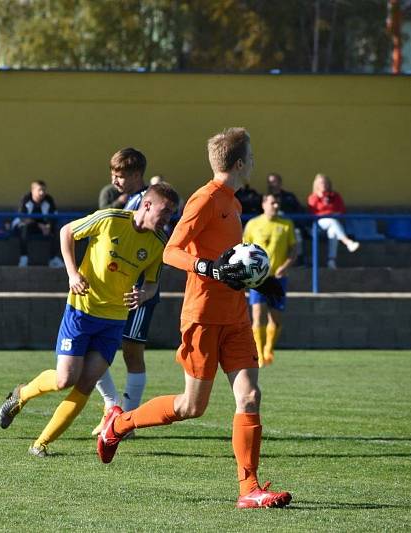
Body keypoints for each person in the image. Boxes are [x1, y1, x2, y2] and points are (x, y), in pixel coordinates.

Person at [95, 127, 292, 510]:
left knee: (249, 396)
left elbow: (230, 260)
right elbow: (171, 252)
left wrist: (261, 281)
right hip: (202, 316)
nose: (254, 162)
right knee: (190, 407)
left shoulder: (234, 204)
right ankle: (117, 425)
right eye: (250, 156)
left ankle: (248, 489)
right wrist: (208, 268)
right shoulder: (205, 199)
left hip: (235, 317)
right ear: (239, 163)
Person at [0, 183, 179, 457]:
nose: (168, 219)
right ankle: (20, 396)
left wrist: (143, 294)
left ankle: (41, 444)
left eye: (172, 215)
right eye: (165, 212)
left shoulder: (158, 243)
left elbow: (152, 283)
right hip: (81, 311)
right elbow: (66, 231)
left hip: (114, 321)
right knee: (64, 379)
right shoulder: (110, 219)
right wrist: (72, 273)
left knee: (86, 382)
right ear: (148, 205)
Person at [90, 148, 164, 437]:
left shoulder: (152, 202)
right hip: (111, 285)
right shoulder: (121, 202)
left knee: (132, 351)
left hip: (139, 288)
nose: (114, 181)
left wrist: (146, 289)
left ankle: (127, 422)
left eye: (120, 176)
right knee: (93, 348)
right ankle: (112, 408)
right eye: (112, 174)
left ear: (136, 175)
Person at [243, 194, 297, 367]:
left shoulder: (286, 225)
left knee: (275, 318)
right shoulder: (253, 224)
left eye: (277, 203)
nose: (275, 205)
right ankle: (258, 353)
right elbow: (244, 249)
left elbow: (294, 251)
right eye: (272, 202)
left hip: (277, 278)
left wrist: (286, 266)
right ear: (263, 204)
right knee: (257, 316)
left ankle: (269, 349)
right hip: (258, 278)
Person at [306, 173, 359, 269]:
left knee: (333, 232)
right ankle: (347, 242)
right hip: (317, 227)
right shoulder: (312, 197)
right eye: (321, 183)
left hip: (334, 223)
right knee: (331, 221)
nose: (324, 185)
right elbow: (313, 214)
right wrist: (328, 214)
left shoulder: (335, 196)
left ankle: (331, 260)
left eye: (326, 183)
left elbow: (342, 210)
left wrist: (334, 214)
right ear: (316, 185)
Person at [12, 180, 64, 267]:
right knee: (24, 228)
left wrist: (48, 226)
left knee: (58, 230)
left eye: (44, 190)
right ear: (32, 190)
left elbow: (54, 216)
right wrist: (39, 225)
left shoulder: (49, 199)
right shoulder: (26, 199)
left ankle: (53, 259)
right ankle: (24, 258)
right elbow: (23, 218)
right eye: (39, 190)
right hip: (25, 226)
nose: (42, 192)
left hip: (43, 228)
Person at [266, 172, 306, 263]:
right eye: (270, 182)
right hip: (271, 226)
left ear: (280, 182)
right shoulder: (266, 198)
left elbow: (299, 211)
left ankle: (299, 260)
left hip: (289, 225)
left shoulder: (289, 197)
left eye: (274, 181)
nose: (272, 184)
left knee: (297, 233)